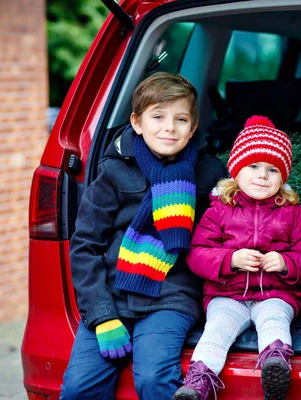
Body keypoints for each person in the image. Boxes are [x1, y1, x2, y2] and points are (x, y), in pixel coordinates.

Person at [60, 72, 227, 400]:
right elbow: (85, 246)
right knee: (80, 387)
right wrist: (102, 315)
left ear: (193, 127)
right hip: (113, 293)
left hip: (171, 295)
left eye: (181, 119)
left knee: (153, 378)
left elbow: (224, 235)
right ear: (137, 122)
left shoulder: (210, 174)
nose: (169, 128)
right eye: (158, 117)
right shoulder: (114, 170)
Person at [173, 116, 301, 400]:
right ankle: (197, 383)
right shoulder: (219, 209)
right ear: (236, 171)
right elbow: (196, 255)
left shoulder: (290, 212)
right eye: (253, 166)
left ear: (283, 177)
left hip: (277, 293)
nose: (262, 175)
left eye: (272, 170)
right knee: (217, 330)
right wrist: (231, 259)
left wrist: (286, 262)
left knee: (275, 320)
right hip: (227, 295)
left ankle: (275, 365)